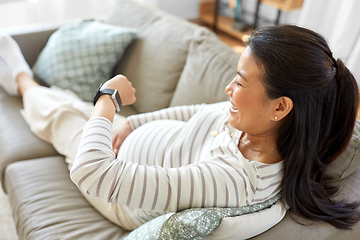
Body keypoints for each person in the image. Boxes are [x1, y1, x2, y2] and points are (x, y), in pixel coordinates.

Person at [0, 24, 359, 231]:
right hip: (126, 138)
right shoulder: (257, 124)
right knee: (71, 108)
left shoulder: (232, 179)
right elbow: (197, 111)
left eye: (240, 82)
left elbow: (91, 172)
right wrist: (133, 122)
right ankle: (30, 85)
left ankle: (21, 79)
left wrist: (108, 98)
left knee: (60, 117)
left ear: (281, 107)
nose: (228, 90)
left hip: (116, 186)